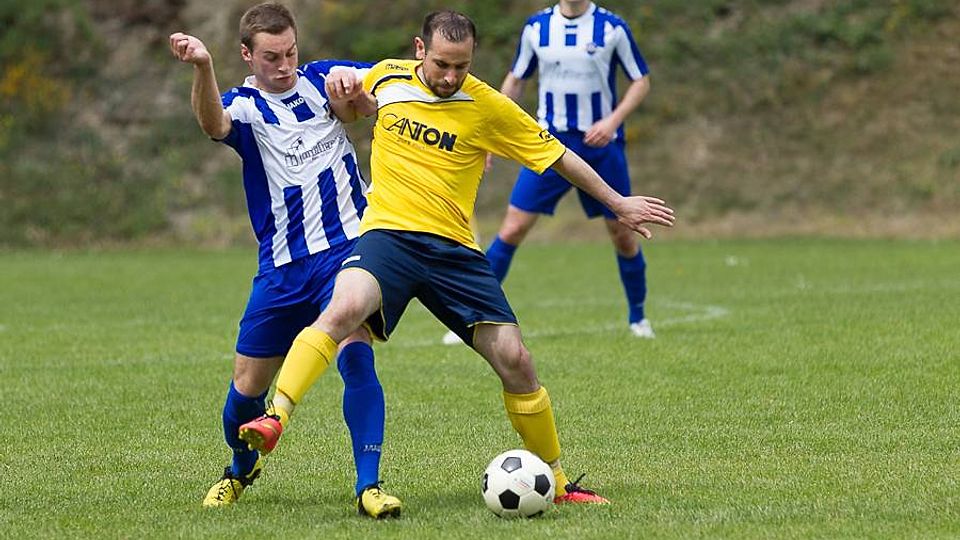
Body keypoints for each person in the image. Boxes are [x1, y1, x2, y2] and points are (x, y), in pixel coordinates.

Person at [238, 10, 674, 507]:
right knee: (343, 308)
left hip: (453, 250)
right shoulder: (388, 75)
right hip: (389, 236)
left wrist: (617, 202)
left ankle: (556, 482)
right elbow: (350, 106)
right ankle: (276, 416)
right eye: (442, 64)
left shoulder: (487, 106)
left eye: (461, 66)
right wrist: (345, 90)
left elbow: (557, 156)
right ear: (419, 50)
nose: (450, 77)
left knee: (516, 360)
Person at [168, 2, 401, 517]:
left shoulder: (321, 80)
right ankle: (239, 468)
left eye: (291, 52)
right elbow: (213, 123)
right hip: (281, 268)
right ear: (247, 55)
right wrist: (203, 67)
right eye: (271, 57)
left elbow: (393, 87)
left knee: (356, 355)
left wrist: (361, 91)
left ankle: (369, 486)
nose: (284, 65)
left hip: (347, 251)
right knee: (245, 391)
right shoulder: (246, 106)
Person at [482, 0, 657, 339]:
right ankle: (477, 314)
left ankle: (638, 318)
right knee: (512, 228)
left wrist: (612, 121)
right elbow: (515, 81)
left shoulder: (612, 27)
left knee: (623, 234)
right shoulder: (537, 28)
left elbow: (641, 81)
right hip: (547, 145)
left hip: (601, 147)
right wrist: (491, 133)